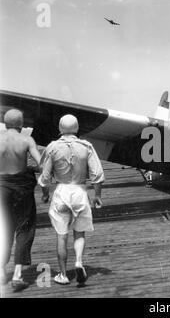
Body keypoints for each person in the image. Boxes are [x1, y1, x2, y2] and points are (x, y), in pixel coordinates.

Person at [38, 114, 105, 285]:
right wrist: (97, 195)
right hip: (80, 191)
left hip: (61, 191)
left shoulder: (52, 147)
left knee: (62, 236)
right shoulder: (86, 146)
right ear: (77, 128)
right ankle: (78, 262)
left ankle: (63, 274)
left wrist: (45, 195)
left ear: (60, 129)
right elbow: (97, 175)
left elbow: (44, 179)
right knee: (79, 232)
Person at [0, 109, 41, 292]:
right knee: (25, 227)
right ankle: (17, 275)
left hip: (2, 187)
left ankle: (1, 273)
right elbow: (41, 164)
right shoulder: (27, 140)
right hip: (22, 189)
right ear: (21, 124)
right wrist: (31, 167)